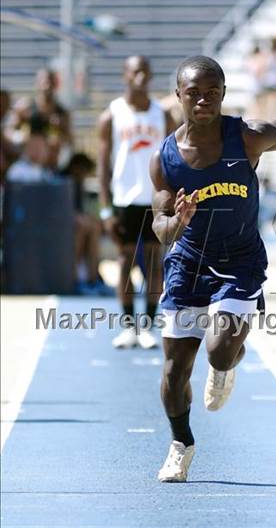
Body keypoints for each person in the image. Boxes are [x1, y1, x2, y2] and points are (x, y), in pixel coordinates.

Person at [150, 55, 276, 482]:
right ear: (179, 95)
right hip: (189, 263)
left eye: (212, 92)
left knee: (218, 350)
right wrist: (178, 221)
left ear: (224, 94)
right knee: (175, 371)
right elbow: (161, 229)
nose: (203, 101)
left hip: (240, 260)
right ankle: (181, 444)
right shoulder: (166, 160)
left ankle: (227, 362)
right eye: (193, 93)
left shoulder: (246, 137)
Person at [98, 55, 176, 349]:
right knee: (125, 263)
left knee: (156, 265)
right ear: (125, 76)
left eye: (145, 71)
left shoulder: (163, 115)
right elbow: (103, 167)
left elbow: (172, 160)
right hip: (124, 200)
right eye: (135, 72)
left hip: (155, 199)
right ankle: (128, 326)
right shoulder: (112, 115)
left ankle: (148, 327)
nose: (140, 77)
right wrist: (106, 208)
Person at [60, 153, 112, 296]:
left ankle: (93, 279)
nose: (84, 174)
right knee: (85, 226)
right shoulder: (64, 181)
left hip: (75, 226)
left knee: (93, 225)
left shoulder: (77, 184)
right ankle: (76, 279)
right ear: (76, 167)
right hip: (61, 228)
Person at [11, 68, 74, 170]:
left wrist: (61, 130)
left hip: (51, 166)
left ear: (55, 84)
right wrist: (21, 137)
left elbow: (70, 141)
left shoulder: (62, 113)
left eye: (50, 82)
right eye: (44, 82)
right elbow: (10, 132)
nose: (47, 86)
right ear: (37, 83)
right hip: (27, 164)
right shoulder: (25, 106)